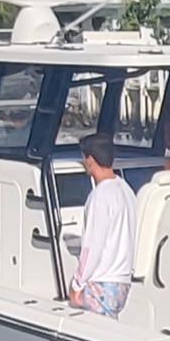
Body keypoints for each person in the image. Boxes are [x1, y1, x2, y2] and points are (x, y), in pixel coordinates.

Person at [67, 134, 136, 318]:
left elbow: (92, 247)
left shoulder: (100, 196)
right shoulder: (126, 190)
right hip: (122, 282)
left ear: (91, 160)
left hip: (102, 283)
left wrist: (76, 285)